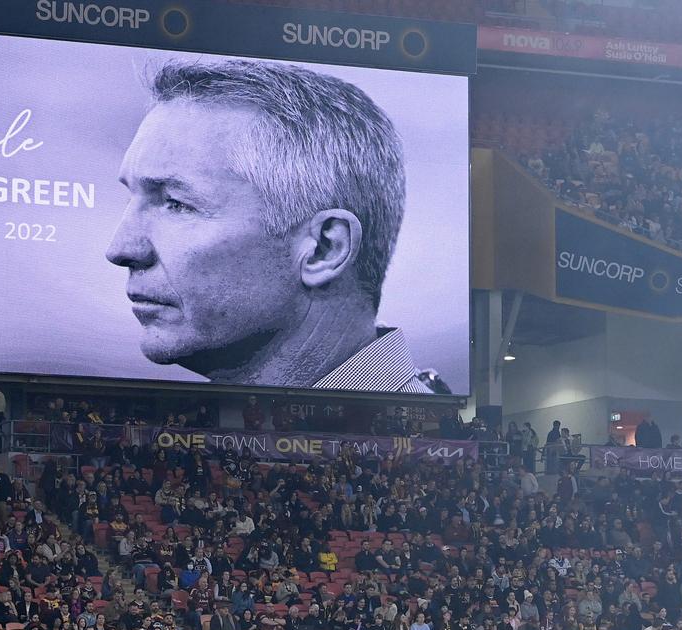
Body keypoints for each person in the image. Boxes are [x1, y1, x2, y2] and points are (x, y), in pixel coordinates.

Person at [106, 59, 447, 394]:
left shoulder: (422, 449)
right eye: (129, 199)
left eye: (176, 203)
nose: (120, 249)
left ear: (324, 249)